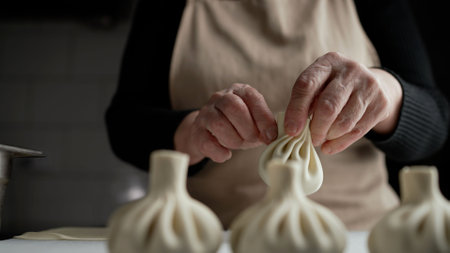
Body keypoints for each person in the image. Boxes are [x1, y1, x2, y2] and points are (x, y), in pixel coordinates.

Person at [105, 0, 449, 230]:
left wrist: (385, 93)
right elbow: (124, 124)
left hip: (360, 235)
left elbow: (435, 124)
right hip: (218, 236)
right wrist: (189, 132)